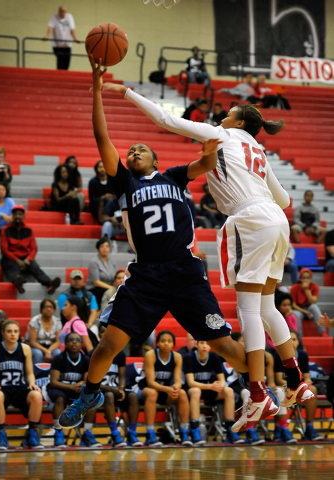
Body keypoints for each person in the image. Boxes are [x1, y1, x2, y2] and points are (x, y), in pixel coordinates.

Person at [103, 80, 315, 432]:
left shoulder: (221, 134)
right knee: (267, 308)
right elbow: (286, 201)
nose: (222, 115)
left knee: (247, 308)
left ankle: (259, 393)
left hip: (249, 219)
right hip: (278, 222)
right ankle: (296, 382)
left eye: (228, 113)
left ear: (237, 122)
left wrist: (126, 93)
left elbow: (164, 120)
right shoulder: (258, 150)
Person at [58, 57, 249, 432]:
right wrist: (97, 89)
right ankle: (90, 394)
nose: (133, 152)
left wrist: (211, 143)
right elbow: (102, 138)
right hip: (146, 275)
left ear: (156, 159)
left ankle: (259, 386)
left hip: (184, 271)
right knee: (106, 346)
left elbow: (207, 162)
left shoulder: (175, 177)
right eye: (130, 151)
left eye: (141, 149)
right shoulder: (125, 183)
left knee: (225, 346)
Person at [0, 320, 44, 449]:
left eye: (15, 331)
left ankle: (31, 435)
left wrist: (32, 383)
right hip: (2, 389)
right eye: (9, 331)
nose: (12, 334)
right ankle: (2, 436)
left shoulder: (25, 348)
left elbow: (30, 373)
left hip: (19, 389)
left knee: (37, 395)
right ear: (3, 333)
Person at [46, 331, 101, 448]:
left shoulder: (86, 360)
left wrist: (83, 383)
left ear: (82, 344)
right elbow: (54, 382)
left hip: (75, 391)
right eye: (71, 340)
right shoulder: (58, 358)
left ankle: (87, 433)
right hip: (59, 389)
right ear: (65, 344)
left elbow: (88, 380)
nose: (74, 342)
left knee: (91, 397)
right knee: (59, 398)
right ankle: (58, 432)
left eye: (78, 340)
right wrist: (72, 386)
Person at [184, 340, 244, 444]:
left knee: (228, 391)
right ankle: (195, 431)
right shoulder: (189, 357)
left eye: (207, 344)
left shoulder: (214, 357)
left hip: (209, 389)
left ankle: (230, 431)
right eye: (202, 343)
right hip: (194, 390)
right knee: (195, 391)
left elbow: (222, 380)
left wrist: (219, 385)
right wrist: (210, 386)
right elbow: (191, 383)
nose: (204, 346)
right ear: (197, 344)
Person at [138, 331, 191, 446]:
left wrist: (175, 389)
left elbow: (178, 381)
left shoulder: (177, 357)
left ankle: (184, 432)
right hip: (144, 390)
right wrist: (168, 389)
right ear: (157, 343)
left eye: (169, 341)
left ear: (173, 344)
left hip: (164, 391)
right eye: (162, 341)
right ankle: (150, 434)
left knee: (182, 393)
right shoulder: (150, 355)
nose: (166, 344)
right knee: (152, 393)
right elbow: (150, 382)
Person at [273, 330, 324, 442]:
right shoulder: (277, 355)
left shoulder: (303, 355)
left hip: (297, 387)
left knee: (313, 389)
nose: (292, 342)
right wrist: (293, 385)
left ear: (298, 342)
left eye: (294, 339)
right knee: (279, 391)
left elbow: (307, 377)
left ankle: (310, 428)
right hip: (284, 386)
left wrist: (307, 381)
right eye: (289, 339)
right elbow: (278, 379)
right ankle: (281, 429)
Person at [97, 324, 143, 447]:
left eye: (108, 332)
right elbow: (90, 381)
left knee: (132, 396)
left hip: (115, 390)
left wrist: (121, 388)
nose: (105, 334)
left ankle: (132, 434)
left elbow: (122, 376)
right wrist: (112, 389)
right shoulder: (93, 353)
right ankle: (115, 434)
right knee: (109, 396)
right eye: (102, 332)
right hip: (99, 391)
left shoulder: (120, 354)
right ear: (98, 335)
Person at [0, 205, 61, 295]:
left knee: (35, 268)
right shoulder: (5, 229)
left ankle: (50, 284)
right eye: (15, 214)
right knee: (11, 268)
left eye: (20, 214)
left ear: (24, 216)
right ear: (12, 216)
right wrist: (17, 261)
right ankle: (18, 283)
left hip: (26, 258)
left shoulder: (29, 230)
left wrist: (28, 259)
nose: (17, 216)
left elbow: (34, 248)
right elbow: (4, 250)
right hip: (10, 258)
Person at [57, 269, 99, 335]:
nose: (77, 281)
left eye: (79, 279)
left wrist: (89, 324)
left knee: (94, 329)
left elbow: (94, 311)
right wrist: (77, 324)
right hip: (69, 324)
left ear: (83, 280)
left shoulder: (90, 295)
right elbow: (64, 313)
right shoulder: (64, 296)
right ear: (70, 280)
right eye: (74, 279)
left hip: (87, 324)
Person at [23, 298, 62, 364]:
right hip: (35, 347)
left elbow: (58, 342)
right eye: (46, 306)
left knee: (57, 352)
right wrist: (46, 351)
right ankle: (37, 373)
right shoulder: (35, 321)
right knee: (38, 353)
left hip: (51, 347)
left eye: (51, 307)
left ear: (54, 309)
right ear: (41, 309)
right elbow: (32, 342)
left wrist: (49, 351)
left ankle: (55, 373)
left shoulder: (57, 322)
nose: (48, 309)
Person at [290, 268, 326, 337]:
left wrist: (306, 289)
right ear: (300, 279)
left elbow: (313, 301)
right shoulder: (294, 287)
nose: (306, 280)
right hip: (299, 310)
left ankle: (322, 332)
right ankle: (299, 337)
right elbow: (293, 305)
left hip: (309, 308)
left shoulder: (315, 286)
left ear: (311, 279)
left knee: (314, 307)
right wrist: (305, 312)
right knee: (296, 314)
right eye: (303, 278)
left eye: (308, 278)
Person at [43, 5, 80, 70]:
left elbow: (72, 29)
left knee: (66, 63)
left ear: (65, 12)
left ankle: (65, 76)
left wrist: (75, 38)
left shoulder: (69, 17)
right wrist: (47, 36)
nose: (62, 13)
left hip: (67, 45)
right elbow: (50, 28)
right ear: (59, 12)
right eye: (61, 11)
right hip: (57, 45)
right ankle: (59, 75)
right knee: (60, 61)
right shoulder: (54, 17)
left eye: (64, 11)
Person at [85, 236, 118, 308]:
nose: (105, 248)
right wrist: (111, 288)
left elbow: (116, 277)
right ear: (98, 249)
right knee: (109, 293)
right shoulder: (94, 262)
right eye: (102, 246)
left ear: (109, 248)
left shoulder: (112, 262)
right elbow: (96, 282)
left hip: (108, 287)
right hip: (94, 288)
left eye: (107, 246)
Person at [0, 182, 15, 250]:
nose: (1, 191)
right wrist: (1, 214)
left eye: (3, 190)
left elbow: (15, 211)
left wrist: (11, 216)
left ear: (6, 191)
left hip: (6, 226)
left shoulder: (9, 201)